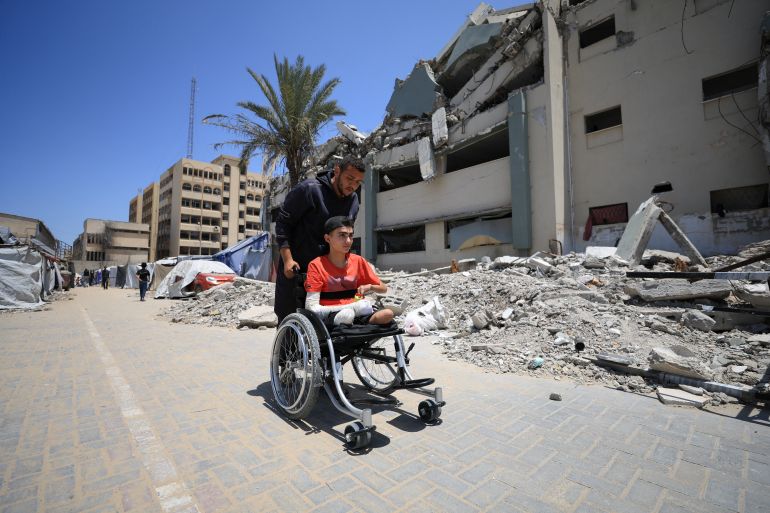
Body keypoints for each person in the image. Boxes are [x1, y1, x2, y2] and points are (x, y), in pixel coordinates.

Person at [274, 155, 365, 323]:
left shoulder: (353, 200)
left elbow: (346, 234)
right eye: (350, 178)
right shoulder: (309, 190)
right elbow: (283, 224)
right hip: (297, 270)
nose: (353, 185)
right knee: (291, 322)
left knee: (329, 323)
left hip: (329, 274)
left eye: (358, 182)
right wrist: (287, 260)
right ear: (337, 171)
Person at [304, 216, 393, 326]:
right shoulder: (316, 265)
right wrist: (352, 307)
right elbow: (311, 307)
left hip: (359, 313)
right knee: (347, 315)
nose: (348, 241)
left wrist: (370, 287)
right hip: (331, 316)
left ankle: (359, 320)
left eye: (350, 235)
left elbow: (383, 289)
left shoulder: (358, 261)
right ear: (328, 239)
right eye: (342, 235)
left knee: (387, 314)